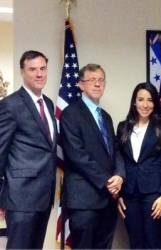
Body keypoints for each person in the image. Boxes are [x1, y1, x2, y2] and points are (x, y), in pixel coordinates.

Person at [60, 64, 124, 249]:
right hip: (84, 201)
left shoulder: (106, 117)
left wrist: (119, 175)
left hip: (108, 201)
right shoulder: (70, 114)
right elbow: (76, 155)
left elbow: (115, 151)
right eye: (92, 80)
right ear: (81, 85)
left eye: (101, 80)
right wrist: (107, 182)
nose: (97, 84)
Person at [0, 50, 57, 249]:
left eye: (43, 68)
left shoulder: (48, 104)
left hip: (44, 196)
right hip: (20, 197)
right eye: (32, 69)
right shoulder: (10, 105)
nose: (39, 74)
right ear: (22, 72)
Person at [116, 82, 161, 249]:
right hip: (129, 193)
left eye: (150, 100)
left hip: (153, 194)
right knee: (135, 242)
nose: (145, 104)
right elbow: (118, 160)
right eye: (141, 99)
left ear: (155, 103)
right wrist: (118, 195)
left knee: (153, 242)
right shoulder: (123, 127)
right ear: (134, 102)